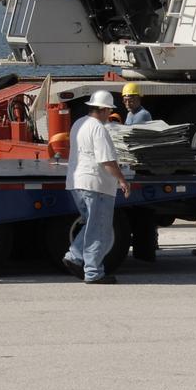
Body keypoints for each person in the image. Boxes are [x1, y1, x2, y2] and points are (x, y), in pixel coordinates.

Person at [63, 90, 131, 284]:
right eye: (109, 110)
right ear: (102, 109)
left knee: (91, 225)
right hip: (97, 185)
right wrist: (122, 180)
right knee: (99, 229)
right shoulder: (99, 129)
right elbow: (107, 160)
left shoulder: (79, 124)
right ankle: (93, 272)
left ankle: (75, 256)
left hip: (77, 183)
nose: (110, 113)